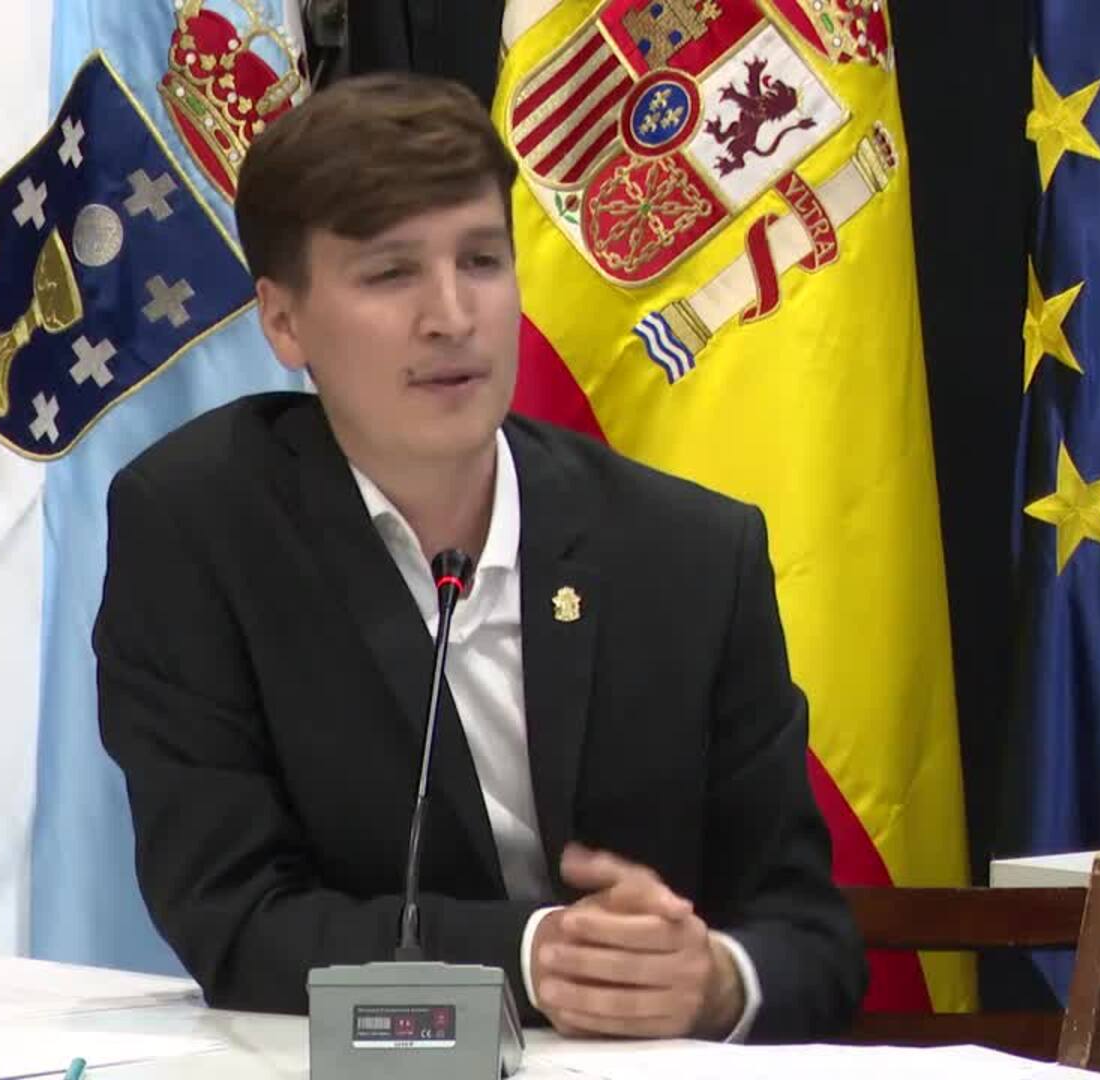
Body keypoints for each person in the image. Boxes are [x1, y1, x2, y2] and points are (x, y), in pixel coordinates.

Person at [93, 71, 865, 1044]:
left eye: (482, 261)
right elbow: (238, 922)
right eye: (391, 274)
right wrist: (535, 956)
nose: (452, 316)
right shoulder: (201, 530)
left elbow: (812, 939)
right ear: (284, 321)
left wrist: (713, 980)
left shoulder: (689, 555)